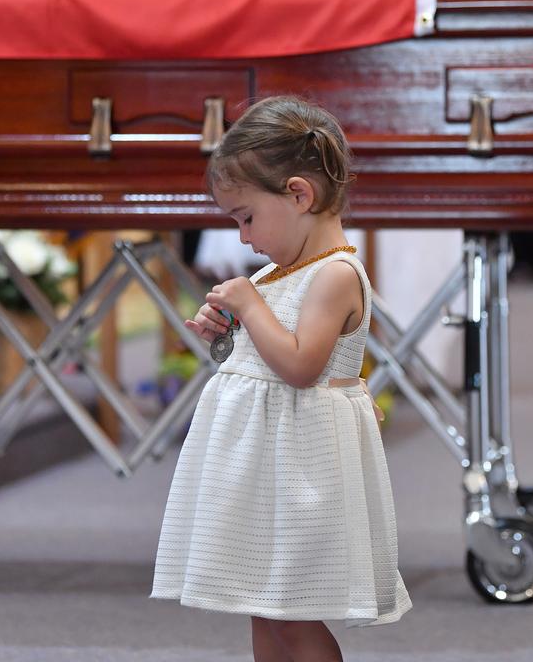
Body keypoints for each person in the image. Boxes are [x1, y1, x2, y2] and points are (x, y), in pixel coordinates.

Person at [150, 96, 412, 661]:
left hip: (302, 468)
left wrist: (249, 302)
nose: (244, 238)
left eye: (246, 217)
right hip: (264, 463)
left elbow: (299, 367)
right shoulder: (281, 271)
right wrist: (227, 335)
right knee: (262, 603)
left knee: (294, 610)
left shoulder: (336, 274)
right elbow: (261, 365)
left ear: (298, 194)